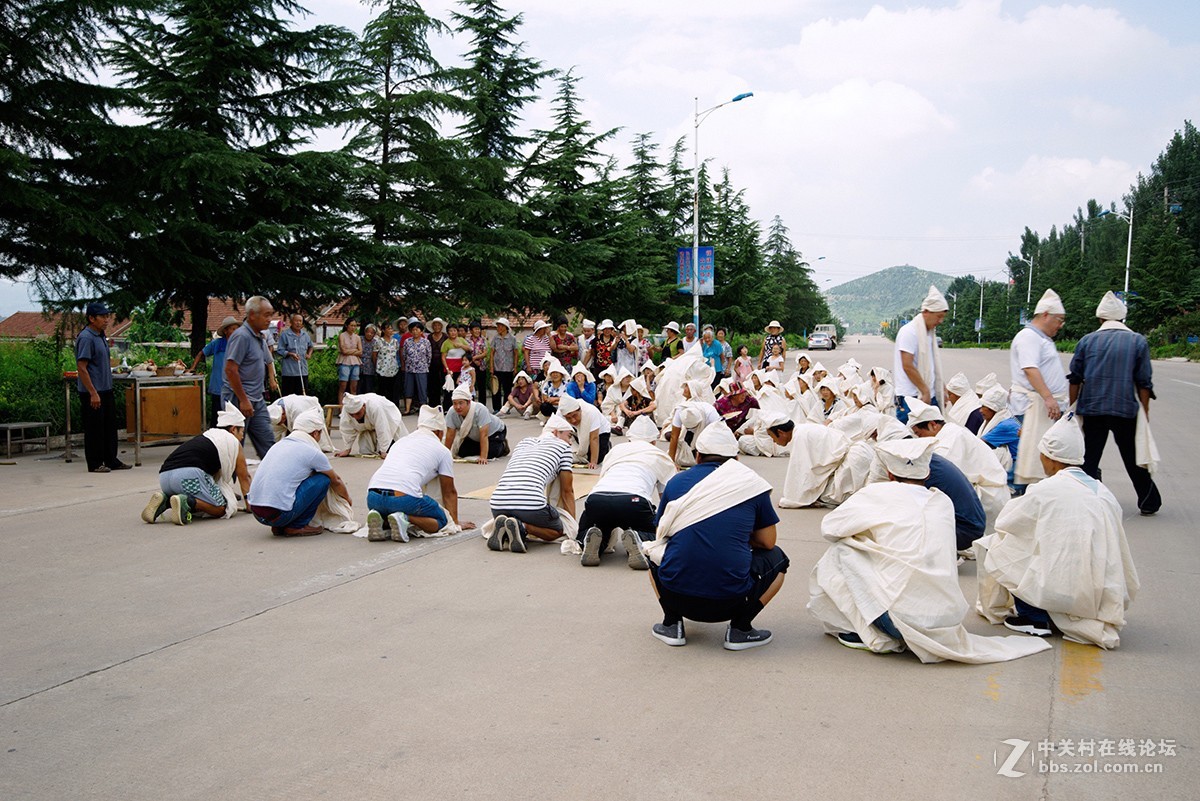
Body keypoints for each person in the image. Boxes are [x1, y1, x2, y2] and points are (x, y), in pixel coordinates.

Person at [808, 437, 1051, 663]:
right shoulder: (942, 501)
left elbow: (830, 528)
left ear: (890, 472)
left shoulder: (877, 493)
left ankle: (863, 630)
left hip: (901, 622)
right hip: (946, 624)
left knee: (842, 551)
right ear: (927, 471)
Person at [976, 414, 1139, 648]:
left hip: (1064, 585)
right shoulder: (1102, 491)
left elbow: (1007, 522)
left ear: (1049, 457)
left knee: (998, 546)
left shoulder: (1046, 489)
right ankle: (1059, 610)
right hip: (1100, 588)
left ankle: (1034, 616)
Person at [643, 424, 787, 651]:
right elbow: (768, 542)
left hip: (677, 594)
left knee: (653, 550)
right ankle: (740, 628)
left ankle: (672, 623)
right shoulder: (751, 484)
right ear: (736, 460)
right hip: (730, 600)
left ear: (698, 456)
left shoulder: (676, 482)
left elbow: (662, 530)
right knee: (779, 559)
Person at [1068, 291, 1162, 515]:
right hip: (1124, 409)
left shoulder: (1087, 341)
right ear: (1121, 318)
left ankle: (1086, 498)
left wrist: (1072, 409)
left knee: (1089, 456)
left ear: (1100, 318)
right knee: (1132, 456)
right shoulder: (1137, 341)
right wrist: (1145, 412)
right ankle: (1149, 501)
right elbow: (1143, 382)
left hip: (1092, 408)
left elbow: (1075, 378)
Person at [365, 405, 476, 542]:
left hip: (372, 497)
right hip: (402, 499)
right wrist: (455, 522)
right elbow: (449, 491)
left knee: (390, 505)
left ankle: (381, 517)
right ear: (440, 433)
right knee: (442, 520)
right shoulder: (442, 451)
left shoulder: (400, 442)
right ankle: (404, 517)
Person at [578, 415, 675, 569]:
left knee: (597, 525)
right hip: (634, 501)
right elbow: (666, 499)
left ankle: (589, 540)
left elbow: (603, 476)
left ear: (629, 439)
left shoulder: (617, 450)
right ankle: (640, 539)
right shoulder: (659, 455)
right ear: (654, 441)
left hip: (598, 498)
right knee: (655, 534)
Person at [906, 398, 1007, 540]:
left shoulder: (950, 441)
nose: (919, 438)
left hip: (988, 494)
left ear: (932, 424)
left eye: (919, 434)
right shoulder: (949, 432)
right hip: (981, 489)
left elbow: (945, 479)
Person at [142, 402, 251, 525]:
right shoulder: (232, 442)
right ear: (233, 429)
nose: (242, 437)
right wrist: (250, 504)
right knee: (222, 508)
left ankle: (165, 500)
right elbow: (244, 477)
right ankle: (187, 501)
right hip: (187, 478)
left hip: (164, 478)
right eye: (241, 432)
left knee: (202, 498)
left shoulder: (207, 436)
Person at [247, 409, 352, 536]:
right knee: (323, 480)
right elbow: (336, 480)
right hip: (279, 514)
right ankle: (296, 525)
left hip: (257, 513)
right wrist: (347, 499)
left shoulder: (278, 445)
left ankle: (279, 525)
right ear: (315, 433)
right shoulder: (311, 451)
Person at [488, 414, 577, 552]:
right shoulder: (563, 448)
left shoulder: (524, 442)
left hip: (497, 502)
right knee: (558, 530)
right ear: (555, 432)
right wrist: (572, 524)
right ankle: (523, 527)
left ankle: (506, 530)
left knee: (514, 513)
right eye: (569, 436)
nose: (570, 442)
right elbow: (567, 491)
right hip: (531, 503)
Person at [1010, 288, 1069, 485]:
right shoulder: (1029, 337)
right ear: (1045, 315)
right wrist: (1048, 397)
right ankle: (1023, 489)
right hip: (1033, 405)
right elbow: (1030, 369)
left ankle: (1031, 488)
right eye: (1059, 320)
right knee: (1033, 452)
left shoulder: (1042, 338)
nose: (1061, 325)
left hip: (1043, 405)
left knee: (1037, 450)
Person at [75, 301, 130, 472]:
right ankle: (95, 463)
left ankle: (111, 459)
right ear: (91, 318)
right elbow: (82, 367)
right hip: (93, 391)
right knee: (95, 429)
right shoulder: (86, 337)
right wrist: (92, 392)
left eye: (107, 316)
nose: (106, 320)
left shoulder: (101, 336)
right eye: (102, 316)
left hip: (106, 389)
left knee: (109, 427)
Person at [223, 296, 279, 459]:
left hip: (257, 398)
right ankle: (225, 482)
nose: (270, 319)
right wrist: (243, 399)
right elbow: (230, 370)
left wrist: (270, 378)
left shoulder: (260, 337)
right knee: (234, 448)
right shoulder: (242, 336)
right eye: (266, 315)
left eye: (271, 314)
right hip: (238, 399)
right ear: (252, 315)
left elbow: (268, 361)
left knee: (269, 444)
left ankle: (274, 481)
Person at [892, 285, 948, 422]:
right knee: (911, 440)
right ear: (926, 312)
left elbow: (931, 365)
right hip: (910, 397)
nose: (940, 321)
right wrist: (925, 390)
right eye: (938, 316)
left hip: (928, 395)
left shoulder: (929, 334)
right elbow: (907, 365)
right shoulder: (909, 332)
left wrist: (942, 387)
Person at [190, 315, 239, 423]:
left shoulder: (238, 344)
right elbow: (201, 353)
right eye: (233, 329)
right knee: (216, 416)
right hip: (218, 384)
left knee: (233, 415)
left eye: (237, 329)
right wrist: (192, 368)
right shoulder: (217, 343)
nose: (235, 331)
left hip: (233, 386)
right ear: (226, 331)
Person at [444, 386, 509, 463]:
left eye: (461, 403)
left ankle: (503, 445)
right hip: (474, 436)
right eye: (455, 403)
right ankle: (483, 447)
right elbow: (450, 435)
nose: (458, 407)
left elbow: (484, 435)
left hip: (495, 431)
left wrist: (483, 457)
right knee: (462, 452)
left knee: (490, 453)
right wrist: (445, 456)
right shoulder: (452, 412)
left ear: (468, 402)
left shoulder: (480, 410)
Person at [336, 393, 407, 457]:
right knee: (365, 451)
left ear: (363, 406)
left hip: (388, 419)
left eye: (357, 413)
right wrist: (347, 449)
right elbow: (346, 430)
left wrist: (384, 451)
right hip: (367, 427)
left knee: (395, 450)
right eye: (352, 415)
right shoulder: (346, 410)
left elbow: (382, 428)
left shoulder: (375, 407)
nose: (356, 417)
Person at [978, 385, 1021, 485]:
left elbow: (979, 445)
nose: (980, 410)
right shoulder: (1006, 418)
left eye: (984, 407)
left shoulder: (1006, 426)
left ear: (993, 409)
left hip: (1015, 470)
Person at [268, 393, 335, 452]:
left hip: (309, 408)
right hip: (292, 410)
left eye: (281, 421)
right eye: (279, 423)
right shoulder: (274, 409)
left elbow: (298, 433)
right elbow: (275, 434)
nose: (280, 424)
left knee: (311, 435)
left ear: (283, 414)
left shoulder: (297, 411)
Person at [558, 393, 611, 468]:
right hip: (577, 433)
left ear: (579, 410)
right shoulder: (560, 414)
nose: (573, 420)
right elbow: (557, 435)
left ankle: (606, 445)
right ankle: (580, 454)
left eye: (574, 415)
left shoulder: (590, 411)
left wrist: (593, 462)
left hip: (600, 433)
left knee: (597, 459)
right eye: (568, 418)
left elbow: (594, 438)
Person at [276, 313, 314, 398]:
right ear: (291, 322)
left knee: (302, 397)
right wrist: (290, 354)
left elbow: (311, 346)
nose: (298, 323)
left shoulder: (305, 335)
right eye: (296, 321)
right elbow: (280, 350)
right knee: (288, 398)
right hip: (289, 372)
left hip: (302, 370)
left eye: (300, 321)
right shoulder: (285, 334)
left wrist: (309, 354)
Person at [401, 320, 431, 413]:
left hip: (422, 369)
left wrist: (425, 365)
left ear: (421, 331)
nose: (415, 331)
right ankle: (407, 409)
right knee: (408, 388)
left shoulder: (426, 342)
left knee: (422, 389)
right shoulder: (407, 341)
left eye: (417, 329)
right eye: (413, 330)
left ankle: (423, 410)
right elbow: (404, 354)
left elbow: (429, 356)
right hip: (409, 368)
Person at [490, 318, 519, 413]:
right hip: (497, 367)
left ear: (505, 327)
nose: (498, 328)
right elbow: (492, 353)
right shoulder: (495, 338)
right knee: (496, 389)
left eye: (500, 326)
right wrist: (491, 367)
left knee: (507, 389)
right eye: (498, 326)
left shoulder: (512, 339)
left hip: (508, 368)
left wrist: (515, 367)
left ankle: (506, 407)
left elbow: (516, 353)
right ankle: (496, 408)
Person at [373, 321, 401, 406]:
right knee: (382, 389)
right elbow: (374, 355)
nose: (390, 330)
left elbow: (398, 353)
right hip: (382, 369)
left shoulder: (395, 341)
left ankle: (393, 407)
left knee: (393, 389)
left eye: (391, 328)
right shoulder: (379, 341)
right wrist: (377, 366)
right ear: (383, 330)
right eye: (388, 328)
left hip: (393, 368)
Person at [336, 318, 362, 404]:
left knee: (354, 387)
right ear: (347, 326)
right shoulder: (342, 336)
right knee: (343, 386)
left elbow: (361, 352)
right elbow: (343, 350)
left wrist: (350, 351)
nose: (353, 327)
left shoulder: (357, 337)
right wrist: (355, 351)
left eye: (355, 326)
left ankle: (353, 408)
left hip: (355, 362)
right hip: (344, 362)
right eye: (351, 325)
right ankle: (341, 408)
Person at [466, 320, 489, 409]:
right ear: (471, 331)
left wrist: (475, 358)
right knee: (471, 385)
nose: (477, 331)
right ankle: (470, 405)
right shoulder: (467, 341)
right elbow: (466, 353)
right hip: (470, 367)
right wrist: (472, 360)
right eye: (475, 329)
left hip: (481, 366)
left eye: (478, 329)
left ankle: (482, 406)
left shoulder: (483, 340)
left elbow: (485, 353)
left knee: (481, 386)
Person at [426, 317, 448, 404]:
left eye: (439, 325)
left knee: (444, 383)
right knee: (433, 383)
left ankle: (445, 403)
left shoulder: (445, 337)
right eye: (435, 325)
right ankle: (434, 403)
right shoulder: (429, 337)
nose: (437, 327)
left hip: (443, 363)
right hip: (431, 363)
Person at [359, 323, 378, 396]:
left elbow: (375, 356)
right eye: (368, 332)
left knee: (369, 388)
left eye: (372, 333)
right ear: (365, 332)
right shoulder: (360, 339)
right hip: (359, 366)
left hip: (370, 367)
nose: (369, 334)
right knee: (359, 388)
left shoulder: (375, 342)